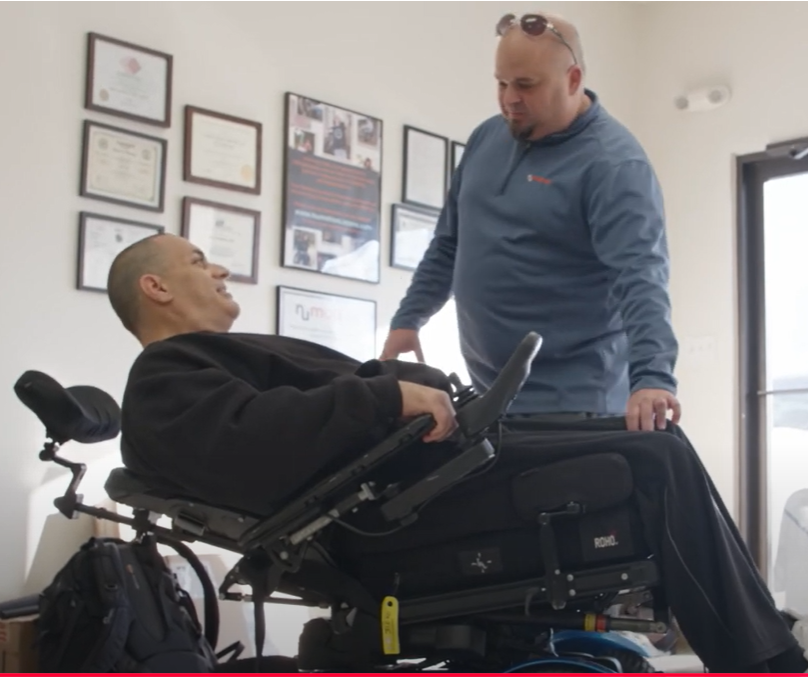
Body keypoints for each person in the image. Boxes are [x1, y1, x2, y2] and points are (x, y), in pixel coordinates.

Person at [107, 233, 807, 673]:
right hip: (397, 515)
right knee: (652, 458)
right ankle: (768, 661)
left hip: (430, 471)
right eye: (199, 260)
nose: (221, 266)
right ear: (156, 287)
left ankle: (766, 646)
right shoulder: (165, 374)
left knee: (656, 442)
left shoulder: (214, 357)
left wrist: (410, 392)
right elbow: (247, 441)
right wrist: (388, 399)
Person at [380, 12, 679, 433]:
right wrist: (408, 319)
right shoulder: (487, 137)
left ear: (573, 79)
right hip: (488, 394)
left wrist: (652, 378)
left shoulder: (613, 164)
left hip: (576, 403)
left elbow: (641, 276)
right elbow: (450, 242)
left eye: (526, 85)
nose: (509, 99)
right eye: (501, 83)